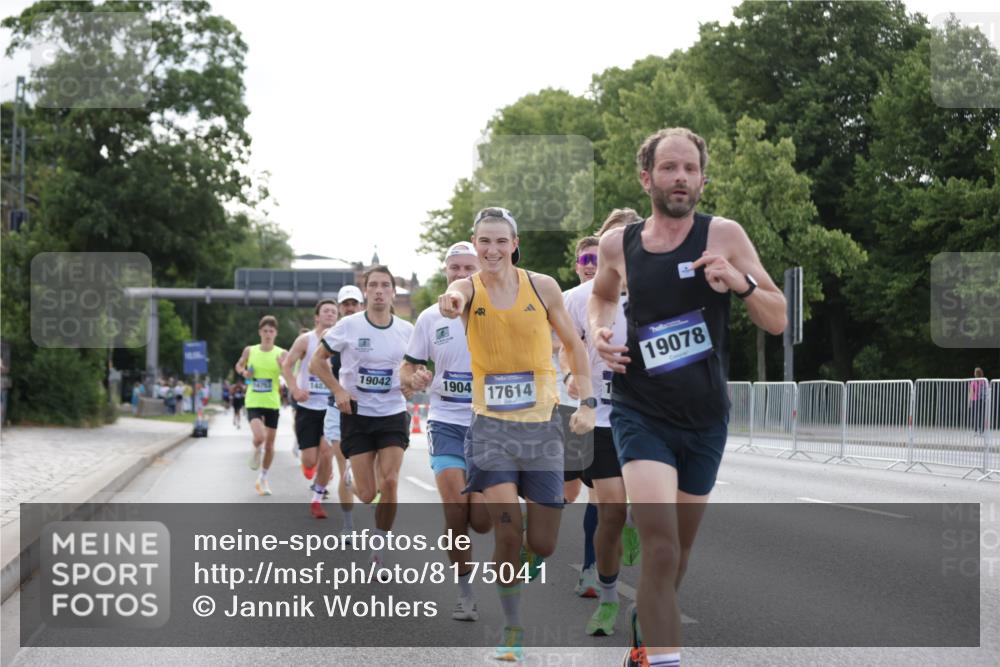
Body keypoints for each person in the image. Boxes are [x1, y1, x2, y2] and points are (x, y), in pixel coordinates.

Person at [588, 128, 787, 667]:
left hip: (705, 417)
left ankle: (647, 630)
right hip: (640, 410)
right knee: (659, 543)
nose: (680, 177)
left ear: (702, 179)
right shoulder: (618, 244)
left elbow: (777, 318)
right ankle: (665, 657)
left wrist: (740, 282)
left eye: (690, 169)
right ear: (646, 177)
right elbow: (602, 296)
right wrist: (601, 333)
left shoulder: (724, 235)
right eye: (669, 167)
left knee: (678, 553)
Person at [438, 207, 596, 662]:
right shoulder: (469, 288)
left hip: (542, 429)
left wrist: (587, 402)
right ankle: (512, 628)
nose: (492, 250)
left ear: (514, 243)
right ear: (475, 243)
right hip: (491, 430)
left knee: (542, 542)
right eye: (484, 241)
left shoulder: (542, 287)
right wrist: (450, 300)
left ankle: (525, 562)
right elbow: (454, 294)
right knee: (507, 530)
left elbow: (573, 344)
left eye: (500, 241)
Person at [562, 209, 644, 636]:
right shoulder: (579, 298)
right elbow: (565, 348)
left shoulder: (660, 290)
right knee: (610, 509)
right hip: (603, 417)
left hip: (650, 418)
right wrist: (574, 381)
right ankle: (609, 597)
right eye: (611, 240)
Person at [401, 241, 491, 622]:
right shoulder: (428, 318)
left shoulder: (498, 309)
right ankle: (465, 593)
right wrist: (414, 378)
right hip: (446, 421)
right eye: (454, 268)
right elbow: (407, 370)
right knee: (455, 510)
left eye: (468, 267)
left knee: (481, 520)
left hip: (490, 424)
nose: (461, 274)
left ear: (481, 269)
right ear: (445, 272)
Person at [310, 267, 414, 566]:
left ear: (393, 292)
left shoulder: (407, 330)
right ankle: (349, 476)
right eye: (373, 285)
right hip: (356, 415)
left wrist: (414, 381)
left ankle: (379, 551)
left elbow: (415, 368)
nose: (379, 290)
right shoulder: (348, 326)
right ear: (365, 291)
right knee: (368, 494)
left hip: (392, 413)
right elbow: (317, 362)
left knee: (390, 482)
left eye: (385, 285)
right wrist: (338, 390)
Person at [556, 234, 600, 599]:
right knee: (568, 492)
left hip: (610, 411)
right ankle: (534, 532)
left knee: (600, 493)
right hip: (571, 408)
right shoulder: (568, 299)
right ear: (576, 266)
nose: (591, 265)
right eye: (585, 259)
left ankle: (589, 570)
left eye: (597, 259)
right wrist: (571, 374)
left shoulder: (626, 299)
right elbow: (560, 347)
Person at [282, 301, 340, 519]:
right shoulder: (305, 340)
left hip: (330, 406)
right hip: (307, 407)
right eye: (326, 311)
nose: (330, 314)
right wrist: (295, 389)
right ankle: (312, 468)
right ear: (317, 317)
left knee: (327, 452)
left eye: (333, 311)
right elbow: (287, 365)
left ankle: (317, 497)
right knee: (309, 460)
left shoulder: (341, 339)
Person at [320, 285, 366, 537]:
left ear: (361, 306)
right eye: (345, 304)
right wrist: (337, 389)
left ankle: (362, 487)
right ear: (339, 308)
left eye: (354, 304)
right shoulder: (332, 334)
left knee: (365, 474)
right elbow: (317, 364)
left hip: (367, 410)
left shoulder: (373, 330)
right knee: (343, 465)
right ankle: (348, 526)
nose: (350, 308)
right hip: (337, 408)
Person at [235, 315, 288, 496]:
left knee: (270, 445)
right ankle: (256, 447)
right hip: (254, 401)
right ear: (260, 332)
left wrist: (283, 367)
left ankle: (263, 478)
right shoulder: (250, 350)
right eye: (265, 331)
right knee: (259, 437)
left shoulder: (281, 353)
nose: (267, 334)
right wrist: (244, 373)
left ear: (276, 333)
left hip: (272, 402)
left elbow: (289, 375)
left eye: (271, 331)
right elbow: (239, 366)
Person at [969, 367, 988, 435]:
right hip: (982, 400)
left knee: (975, 416)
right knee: (981, 415)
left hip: (975, 400)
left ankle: (975, 430)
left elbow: (971, 392)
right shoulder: (984, 381)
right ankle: (981, 431)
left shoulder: (973, 381)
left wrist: (970, 402)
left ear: (976, 374)